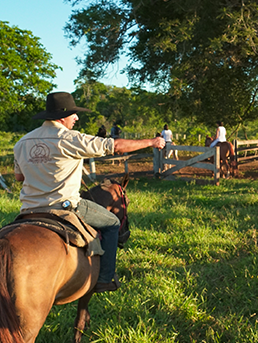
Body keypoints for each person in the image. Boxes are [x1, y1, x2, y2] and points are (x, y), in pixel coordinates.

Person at [13, 92, 165, 294]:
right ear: (62, 116)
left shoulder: (22, 142)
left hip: (29, 210)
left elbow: (19, 177)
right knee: (111, 223)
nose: (76, 118)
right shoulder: (70, 138)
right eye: (73, 114)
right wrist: (152, 142)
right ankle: (104, 278)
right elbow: (116, 146)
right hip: (63, 206)